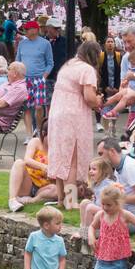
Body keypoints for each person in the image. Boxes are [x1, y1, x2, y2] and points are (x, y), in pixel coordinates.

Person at [46, 40, 103, 206]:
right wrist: (98, 100)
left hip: (57, 114)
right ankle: (70, 202)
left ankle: (60, 199)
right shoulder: (87, 69)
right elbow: (89, 98)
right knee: (72, 160)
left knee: (59, 158)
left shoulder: (68, 65)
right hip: (73, 116)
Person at [90, 137, 135, 234]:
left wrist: (116, 200)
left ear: (112, 151)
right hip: (130, 213)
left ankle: (87, 236)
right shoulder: (119, 168)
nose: (100, 158)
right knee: (88, 206)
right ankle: (86, 235)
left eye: (101, 154)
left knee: (99, 224)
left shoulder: (130, 167)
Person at [8, 123, 57, 212]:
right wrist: (44, 167)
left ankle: (31, 200)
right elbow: (27, 159)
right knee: (19, 163)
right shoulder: (35, 142)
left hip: (44, 187)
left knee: (56, 189)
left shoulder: (58, 149)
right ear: (43, 134)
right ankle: (12, 200)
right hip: (29, 181)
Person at [15, 20, 54, 130]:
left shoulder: (45, 44)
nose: (25, 31)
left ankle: (39, 129)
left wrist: (44, 76)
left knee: (39, 107)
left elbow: (50, 63)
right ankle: (29, 135)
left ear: (35, 30)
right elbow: (17, 61)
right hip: (25, 79)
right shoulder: (22, 44)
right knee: (26, 108)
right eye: (25, 29)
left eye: (27, 29)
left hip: (39, 79)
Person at [99, 49, 135, 119]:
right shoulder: (134, 68)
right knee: (117, 95)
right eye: (131, 64)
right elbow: (128, 78)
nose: (131, 66)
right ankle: (103, 104)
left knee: (125, 98)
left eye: (133, 64)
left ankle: (114, 112)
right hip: (131, 89)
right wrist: (125, 81)